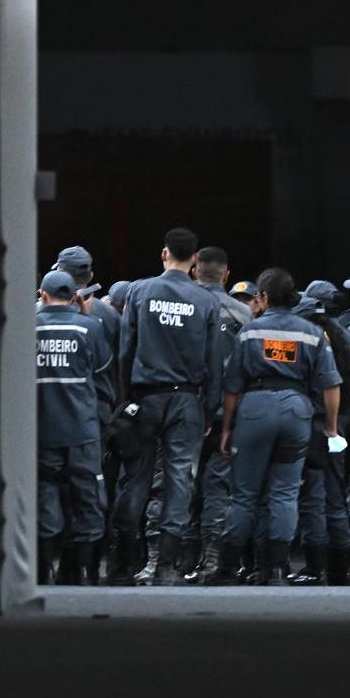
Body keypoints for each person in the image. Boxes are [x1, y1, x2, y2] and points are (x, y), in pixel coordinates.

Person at [208, 268, 342, 586]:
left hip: (255, 409)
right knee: (285, 493)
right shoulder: (311, 333)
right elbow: (332, 385)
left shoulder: (251, 332)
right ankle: (277, 569)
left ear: (265, 297)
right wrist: (331, 429)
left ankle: (227, 569)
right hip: (297, 412)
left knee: (244, 495)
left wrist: (227, 427)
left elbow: (231, 387)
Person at [109, 228, 222, 586]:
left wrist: (125, 399)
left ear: (164, 254)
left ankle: (128, 560)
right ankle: (167, 566)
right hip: (187, 399)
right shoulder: (206, 301)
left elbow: (126, 349)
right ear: (194, 261)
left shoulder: (141, 291)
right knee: (179, 480)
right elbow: (213, 360)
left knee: (137, 476)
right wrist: (209, 407)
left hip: (146, 396)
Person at [35, 270, 115, 584]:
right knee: (88, 497)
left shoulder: (30, 326)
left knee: (45, 495)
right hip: (82, 429)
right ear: (75, 297)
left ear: (42, 295)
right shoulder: (90, 327)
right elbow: (103, 368)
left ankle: (46, 570)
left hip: (42, 430)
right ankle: (85, 571)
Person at [185, 246, 251, 582]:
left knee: (180, 482)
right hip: (229, 414)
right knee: (219, 487)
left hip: (184, 409)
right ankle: (212, 560)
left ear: (195, 270)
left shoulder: (183, 307)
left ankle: (177, 561)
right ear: (227, 275)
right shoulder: (243, 313)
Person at [289, 281, 350, 585]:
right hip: (337, 421)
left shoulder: (307, 338)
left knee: (312, 496)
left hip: (314, 419)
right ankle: (340, 568)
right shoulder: (343, 335)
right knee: (335, 494)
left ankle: (315, 567)